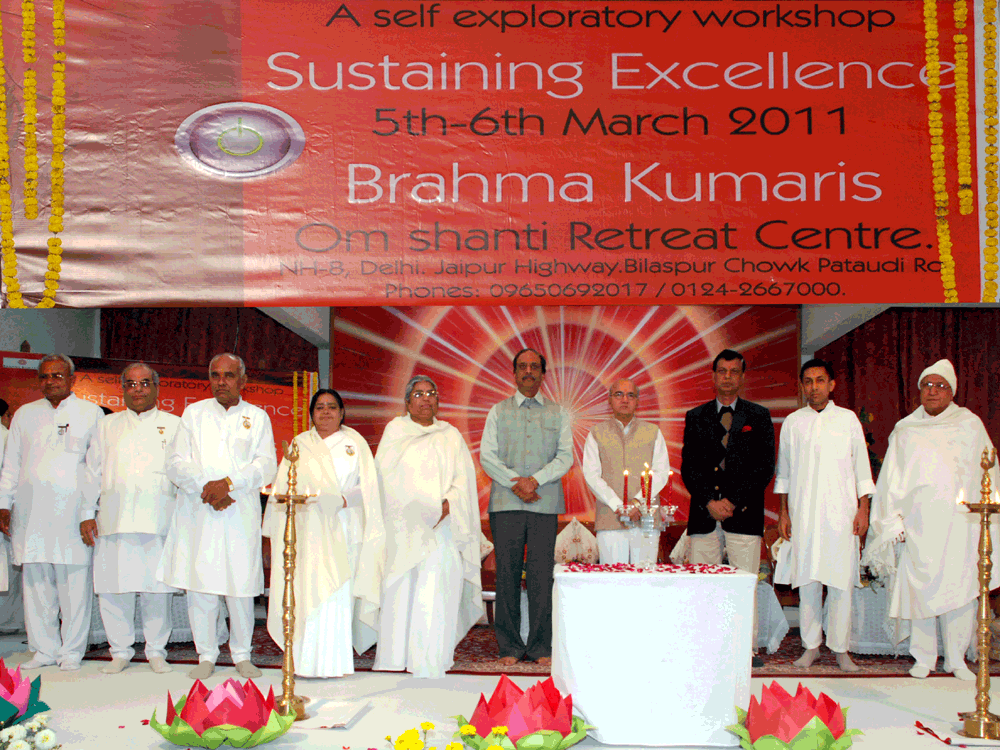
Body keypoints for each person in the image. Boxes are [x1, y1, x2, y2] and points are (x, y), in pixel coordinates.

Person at [864, 358, 999, 680]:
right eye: (927, 385)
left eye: (940, 386)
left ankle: (956, 660)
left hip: (961, 526)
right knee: (919, 591)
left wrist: (986, 519)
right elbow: (890, 480)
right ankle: (923, 658)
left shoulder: (970, 426)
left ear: (952, 392)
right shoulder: (906, 429)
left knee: (960, 592)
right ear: (919, 390)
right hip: (918, 525)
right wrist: (891, 521)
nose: (933, 391)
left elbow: (989, 474)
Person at [158, 353, 277, 680]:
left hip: (239, 511)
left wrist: (228, 485)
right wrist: (208, 488)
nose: (221, 381)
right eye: (215, 375)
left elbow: (266, 464)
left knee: (241, 586)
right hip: (200, 510)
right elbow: (175, 462)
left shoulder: (257, 416)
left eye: (229, 375)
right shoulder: (193, 414)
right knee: (202, 585)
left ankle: (242, 655)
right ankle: (206, 655)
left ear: (243, 380)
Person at [262, 388, 385, 677]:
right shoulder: (300, 444)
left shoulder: (355, 443)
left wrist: (341, 500)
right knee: (307, 592)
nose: (326, 412)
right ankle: (304, 661)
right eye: (319, 407)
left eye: (332, 407)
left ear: (342, 413)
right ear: (311, 414)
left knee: (337, 591)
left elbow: (370, 488)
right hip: (306, 532)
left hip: (344, 526)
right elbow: (283, 487)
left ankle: (335, 663)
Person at [373, 375, 483, 678]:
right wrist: (411, 510)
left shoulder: (450, 435)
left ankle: (430, 661)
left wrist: (447, 505)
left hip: (442, 526)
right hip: (402, 529)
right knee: (400, 591)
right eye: (419, 394)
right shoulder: (395, 431)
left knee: (435, 591)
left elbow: (463, 480)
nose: (425, 399)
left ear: (438, 401)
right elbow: (382, 478)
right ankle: (395, 659)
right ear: (407, 402)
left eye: (431, 393)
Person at [0, 354, 103, 670]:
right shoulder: (25, 414)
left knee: (74, 587)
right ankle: (44, 651)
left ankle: (71, 652)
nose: (50, 381)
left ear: (72, 379)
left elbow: (96, 468)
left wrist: (89, 510)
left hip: (74, 515)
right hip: (30, 514)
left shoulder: (91, 413)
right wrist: (3, 504)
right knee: (36, 586)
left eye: (57, 375)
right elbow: (11, 464)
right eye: (44, 376)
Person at [774, 359, 874, 672]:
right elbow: (784, 473)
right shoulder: (793, 422)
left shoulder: (847, 420)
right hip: (803, 514)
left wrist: (863, 508)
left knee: (841, 582)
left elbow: (862, 469)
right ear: (801, 386)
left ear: (831, 385)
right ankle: (811, 647)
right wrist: (784, 513)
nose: (813, 387)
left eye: (820, 380)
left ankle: (841, 650)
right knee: (808, 582)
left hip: (841, 515)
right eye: (808, 381)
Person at [80, 363, 180, 675]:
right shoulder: (106, 425)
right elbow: (92, 472)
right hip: (114, 518)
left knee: (157, 590)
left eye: (144, 383)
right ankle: (120, 652)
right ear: (123, 388)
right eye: (131, 384)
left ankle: (156, 651)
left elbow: (184, 474)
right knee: (114, 588)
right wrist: (86, 513)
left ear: (156, 387)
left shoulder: (175, 425)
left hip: (158, 518)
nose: (138, 390)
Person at [681, 349, 775, 667]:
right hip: (704, 515)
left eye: (734, 371)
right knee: (703, 585)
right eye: (722, 371)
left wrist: (733, 502)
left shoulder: (758, 416)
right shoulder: (696, 416)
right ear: (713, 375)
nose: (727, 377)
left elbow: (764, 468)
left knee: (744, 584)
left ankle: (745, 651)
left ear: (742, 377)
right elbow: (689, 468)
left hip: (744, 515)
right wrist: (710, 501)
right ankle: (703, 650)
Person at [480, 349, 573, 667]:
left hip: (544, 504)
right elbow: (487, 456)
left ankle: (540, 646)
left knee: (541, 576)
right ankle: (509, 646)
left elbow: (565, 456)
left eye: (534, 366)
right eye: (523, 366)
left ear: (543, 374)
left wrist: (534, 481)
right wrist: (516, 484)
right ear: (514, 373)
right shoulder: (498, 411)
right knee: (506, 574)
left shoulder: (558, 413)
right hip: (505, 504)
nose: (528, 371)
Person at [582, 378, 670, 564]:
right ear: (610, 399)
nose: (625, 400)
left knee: (645, 577)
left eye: (631, 395)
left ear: (637, 401)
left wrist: (637, 503)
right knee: (613, 578)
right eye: (619, 394)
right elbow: (591, 475)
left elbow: (661, 473)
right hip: (610, 519)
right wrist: (619, 506)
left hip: (645, 519)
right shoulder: (596, 433)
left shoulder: (653, 432)